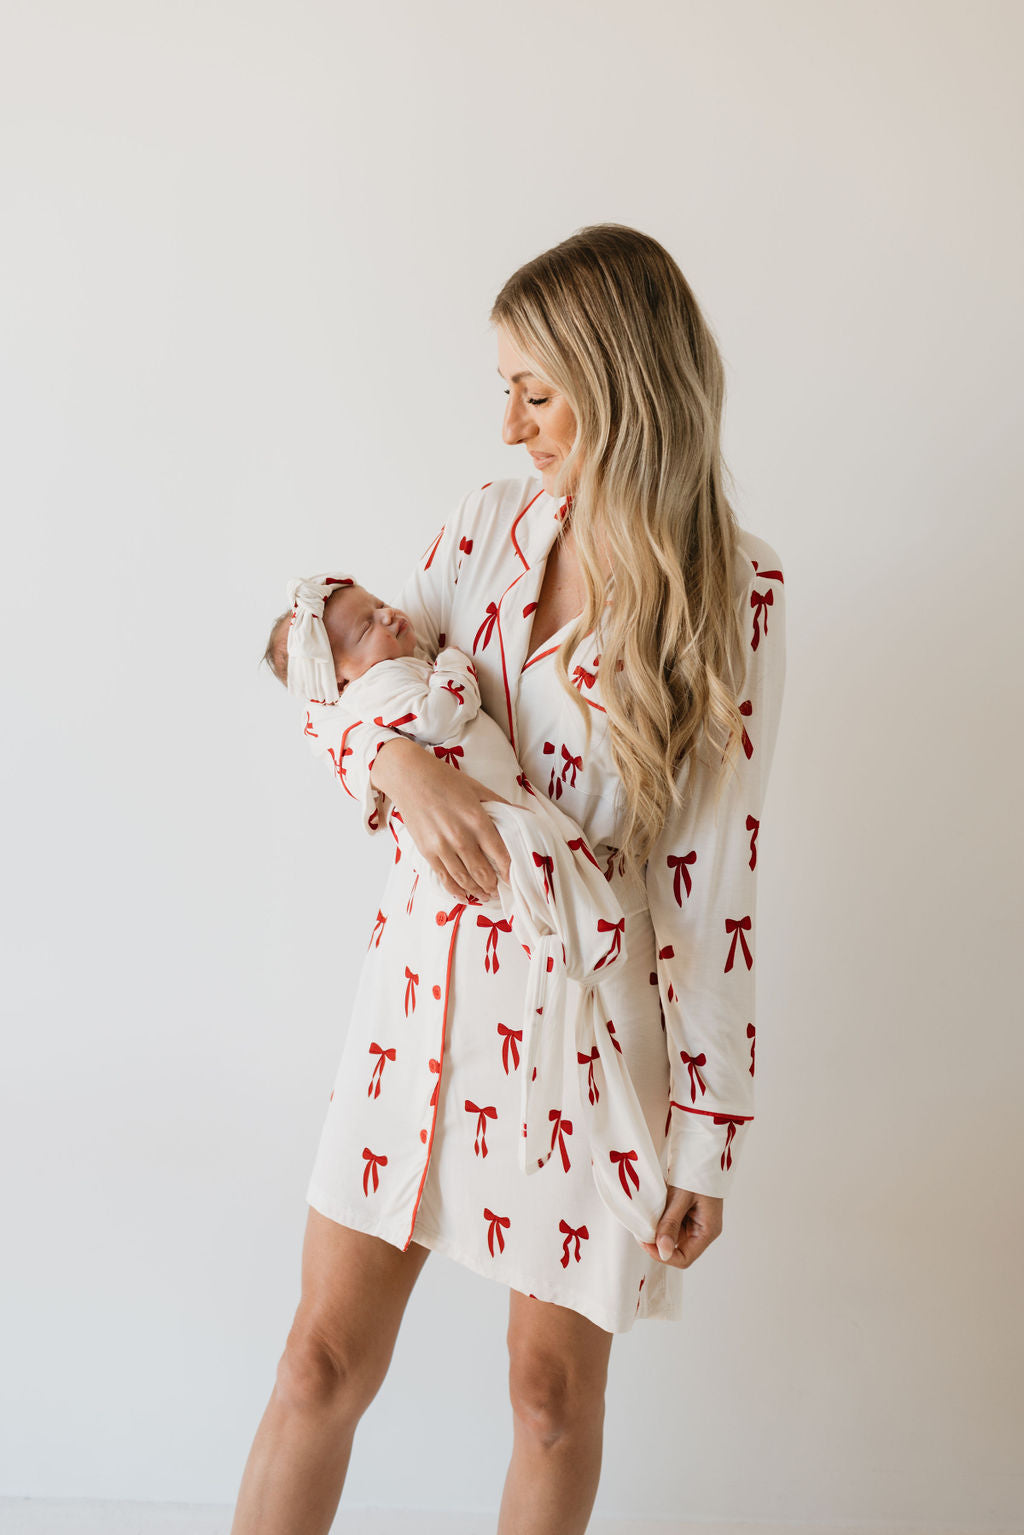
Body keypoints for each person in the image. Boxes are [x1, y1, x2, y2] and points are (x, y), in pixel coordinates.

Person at [230, 223, 787, 1535]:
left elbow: (716, 879)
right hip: (416, 1004)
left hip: (578, 1036)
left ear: (620, 377)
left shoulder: (736, 591)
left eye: (536, 388)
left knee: (547, 1396)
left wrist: (711, 1125)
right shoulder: (485, 526)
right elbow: (331, 670)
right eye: (506, 387)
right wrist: (404, 772)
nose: (511, 423)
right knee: (319, 1358)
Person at [262, 575, 669, 1235]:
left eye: (375, 604)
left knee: (559, 867)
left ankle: (587, 939)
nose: (389, 613)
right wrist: (452, 666)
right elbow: (445, 712)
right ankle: (590, 940)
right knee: (551, 870)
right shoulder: (391, 688)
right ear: (336, 675)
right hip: (493, 822)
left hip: (506, 811)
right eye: (365, 626)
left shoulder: (382, 677)